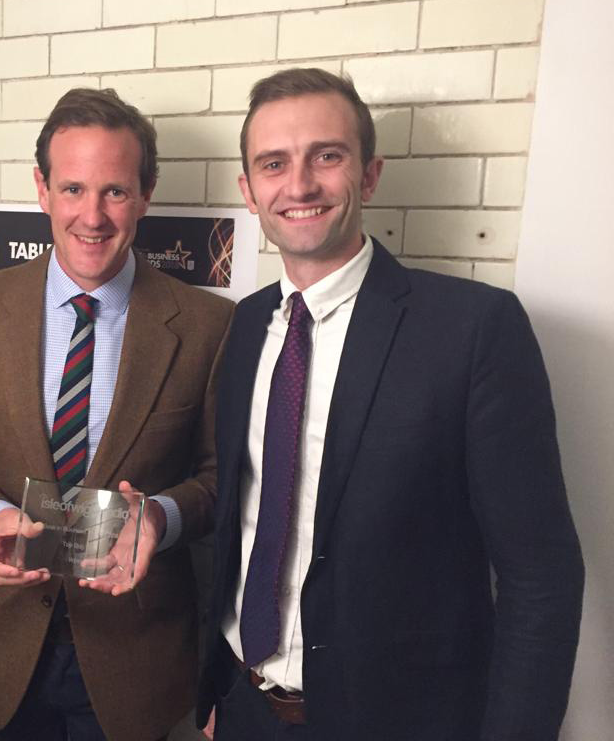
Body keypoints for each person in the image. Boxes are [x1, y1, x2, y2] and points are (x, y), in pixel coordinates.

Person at [197, 68, 584, 741]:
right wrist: (217, 692)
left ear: (370, 175)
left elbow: (541, 577)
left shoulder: (472, 331)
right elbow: (242, 520)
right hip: (245, 708)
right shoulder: (246, 325)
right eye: (274, 164)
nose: (299, 185)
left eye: (327, 156)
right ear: (249, 191)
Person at [0, 88, 233, 741]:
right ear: (42, 189)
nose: (92, 216)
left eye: (115, 191)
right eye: (72, 189)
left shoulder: (208, 325)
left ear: (145, 195)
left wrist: (160, 517)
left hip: (132, 658)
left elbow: (218, 477)